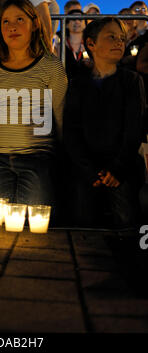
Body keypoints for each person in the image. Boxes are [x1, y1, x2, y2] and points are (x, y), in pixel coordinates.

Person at [0, 0, 67, 222]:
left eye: (20, 19)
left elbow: (60, 116)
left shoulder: (51, 66)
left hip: (37, 158)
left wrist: (63, 161)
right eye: (5, 22)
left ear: (35, 24)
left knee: (35, 222)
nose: (12, 27)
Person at [64, 17, 146, 229]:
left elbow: (133, 130)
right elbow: (71, 131)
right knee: (82, 221)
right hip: (86, 167)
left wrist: (117, 169)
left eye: (121, 38)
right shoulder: (78, 84)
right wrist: (88, 170)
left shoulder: (131, 81)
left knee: (125, 218)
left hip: (122, 165)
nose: (119, 43)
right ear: (91, 44)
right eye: (111, 37)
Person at [63, 9, 87, 79]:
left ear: (85, 24)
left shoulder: (90, 45)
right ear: (66, 24)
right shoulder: (59, 45)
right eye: (73, 19)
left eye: (80, 19)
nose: (77, 22)